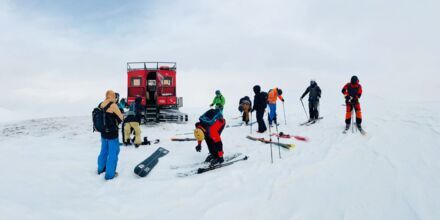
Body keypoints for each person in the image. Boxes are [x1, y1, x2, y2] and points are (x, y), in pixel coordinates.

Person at [97, 90, 124, 180]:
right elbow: (121, 117)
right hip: (112, 134)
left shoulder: (101, 104)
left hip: (103, 133)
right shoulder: (113, 105)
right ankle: (110, 174)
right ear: (113, 96)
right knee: (113, 152)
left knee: (104, 151)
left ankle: (101, 169)